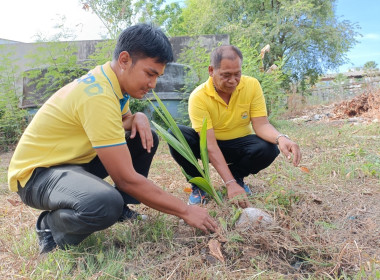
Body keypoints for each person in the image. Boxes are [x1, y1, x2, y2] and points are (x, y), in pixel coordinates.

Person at [8, 23, 218, 254]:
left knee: (145, 139)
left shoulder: (113, 84)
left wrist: (137, 116)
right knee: (104, 203)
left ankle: (121, 209)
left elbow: (122, 120)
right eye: (150, 74)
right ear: (125, 60)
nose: (153, 84)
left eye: (157, 76)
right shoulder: (97, 95)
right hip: (36, 175)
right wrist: (185, 210)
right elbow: (126, 178)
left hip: (72, 164)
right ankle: (50, 227)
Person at [169, 45, 301, 208]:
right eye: (226, 75)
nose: (233, 81)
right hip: (209, 146)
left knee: (269, 147)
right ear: (211, 70)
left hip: (239, 145)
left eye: (237, 74)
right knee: (176, 134)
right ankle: (200, 186)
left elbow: (261, 125)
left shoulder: (252, 86)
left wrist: (281, 138)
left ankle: (237, 178)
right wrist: (228, 183)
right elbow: (209, 145)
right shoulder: (199, 96)